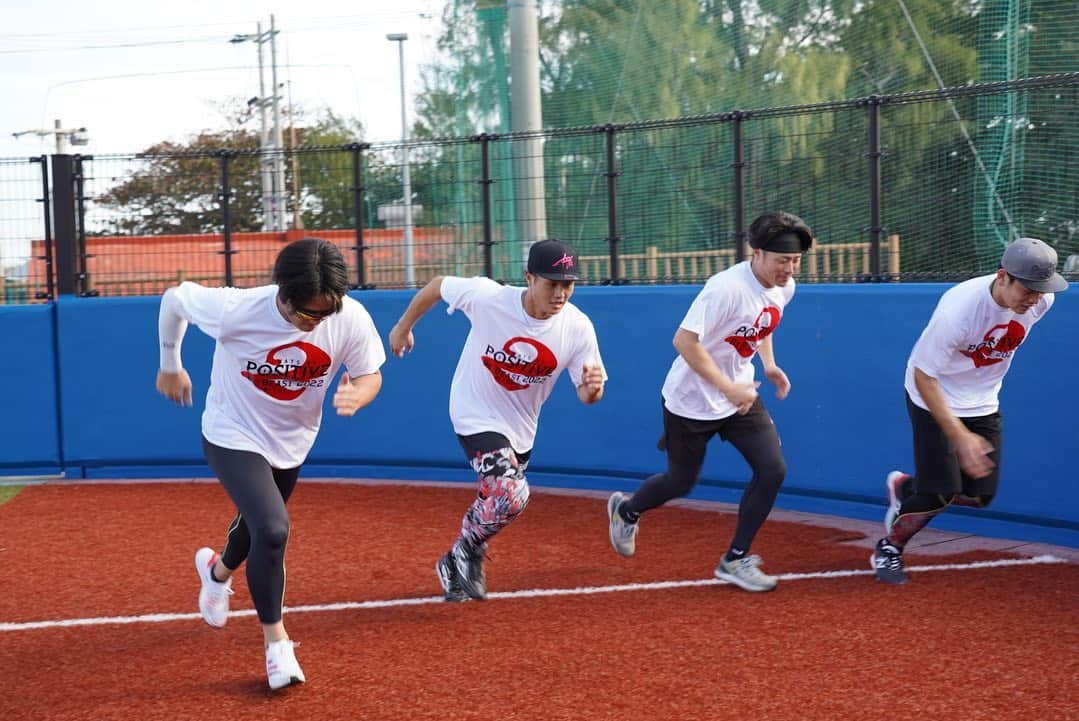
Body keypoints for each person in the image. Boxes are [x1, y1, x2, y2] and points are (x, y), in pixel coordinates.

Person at [155, 237, 386, 689]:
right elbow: (174, 299)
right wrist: (169, 363)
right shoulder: (236, 309)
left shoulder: (349, 316)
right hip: (230, 432)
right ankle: (277, 646)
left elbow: (370, 373)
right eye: (305, 314)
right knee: (274, 527)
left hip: (292, 440)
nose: (314, 322)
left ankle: (216, 574)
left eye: (324, 314)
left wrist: (362, 391)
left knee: (258, 528)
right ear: (282, 292)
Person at [606, 210, 814, 592]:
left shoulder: (785, 287)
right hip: (691, 400)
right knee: (681, 481)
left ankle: (735, 559)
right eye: (783, 260)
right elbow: (684, 342)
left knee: (773, 470)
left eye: (796, 261)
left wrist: (768, 364)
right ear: (756, 252)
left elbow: (762, 322)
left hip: (739, 397)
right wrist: (727, 387)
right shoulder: (725, 288)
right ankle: (627, 509)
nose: (789, 268)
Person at [388, 239, 606, 602]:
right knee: (511, 492)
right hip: (473, 410)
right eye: (552, 283)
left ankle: (454, 557)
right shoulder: (490, 298)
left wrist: (591, 388)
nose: (561, 293)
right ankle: (468, 552)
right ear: (529, 278)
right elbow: (438, 286)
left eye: (568, 284)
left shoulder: (578, 327)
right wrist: (402, 327)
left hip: (520, 427)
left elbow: (587, 395)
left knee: (501, 502)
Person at [871, 237, 1068, 584]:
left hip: (982, 400)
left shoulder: (1041, 302)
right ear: (1003, 275)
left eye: (1042, 289)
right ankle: (889, 548)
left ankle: (906, 488)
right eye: (1029, 289)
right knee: (939, 493)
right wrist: (958, 436)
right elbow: (923, 374)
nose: (1036, 298)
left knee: (980, 496)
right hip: (932, 394)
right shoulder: (959, 310)